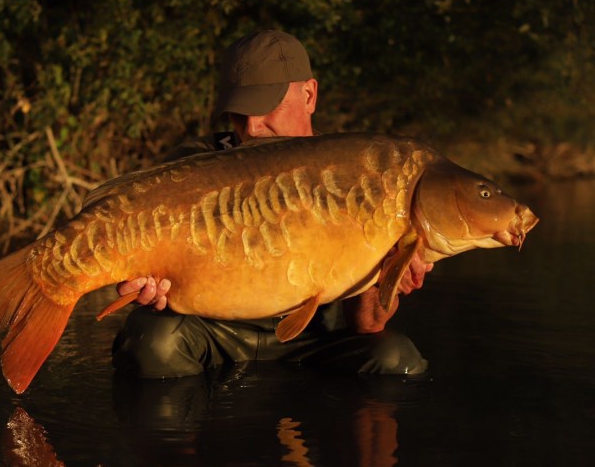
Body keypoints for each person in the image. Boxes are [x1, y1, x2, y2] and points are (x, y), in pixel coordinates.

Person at [110, 30, 430, 378]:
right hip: (214, 332)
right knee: (150, 339)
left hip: (312, 338)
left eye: (267, 107)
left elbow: (367, 323)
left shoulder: (361, 181)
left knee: (396, 360)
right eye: (238, 113)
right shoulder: (192, 167)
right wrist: (146, 284)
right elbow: (145, 268)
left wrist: (390, 274)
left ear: (309, 95)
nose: (252, 126)